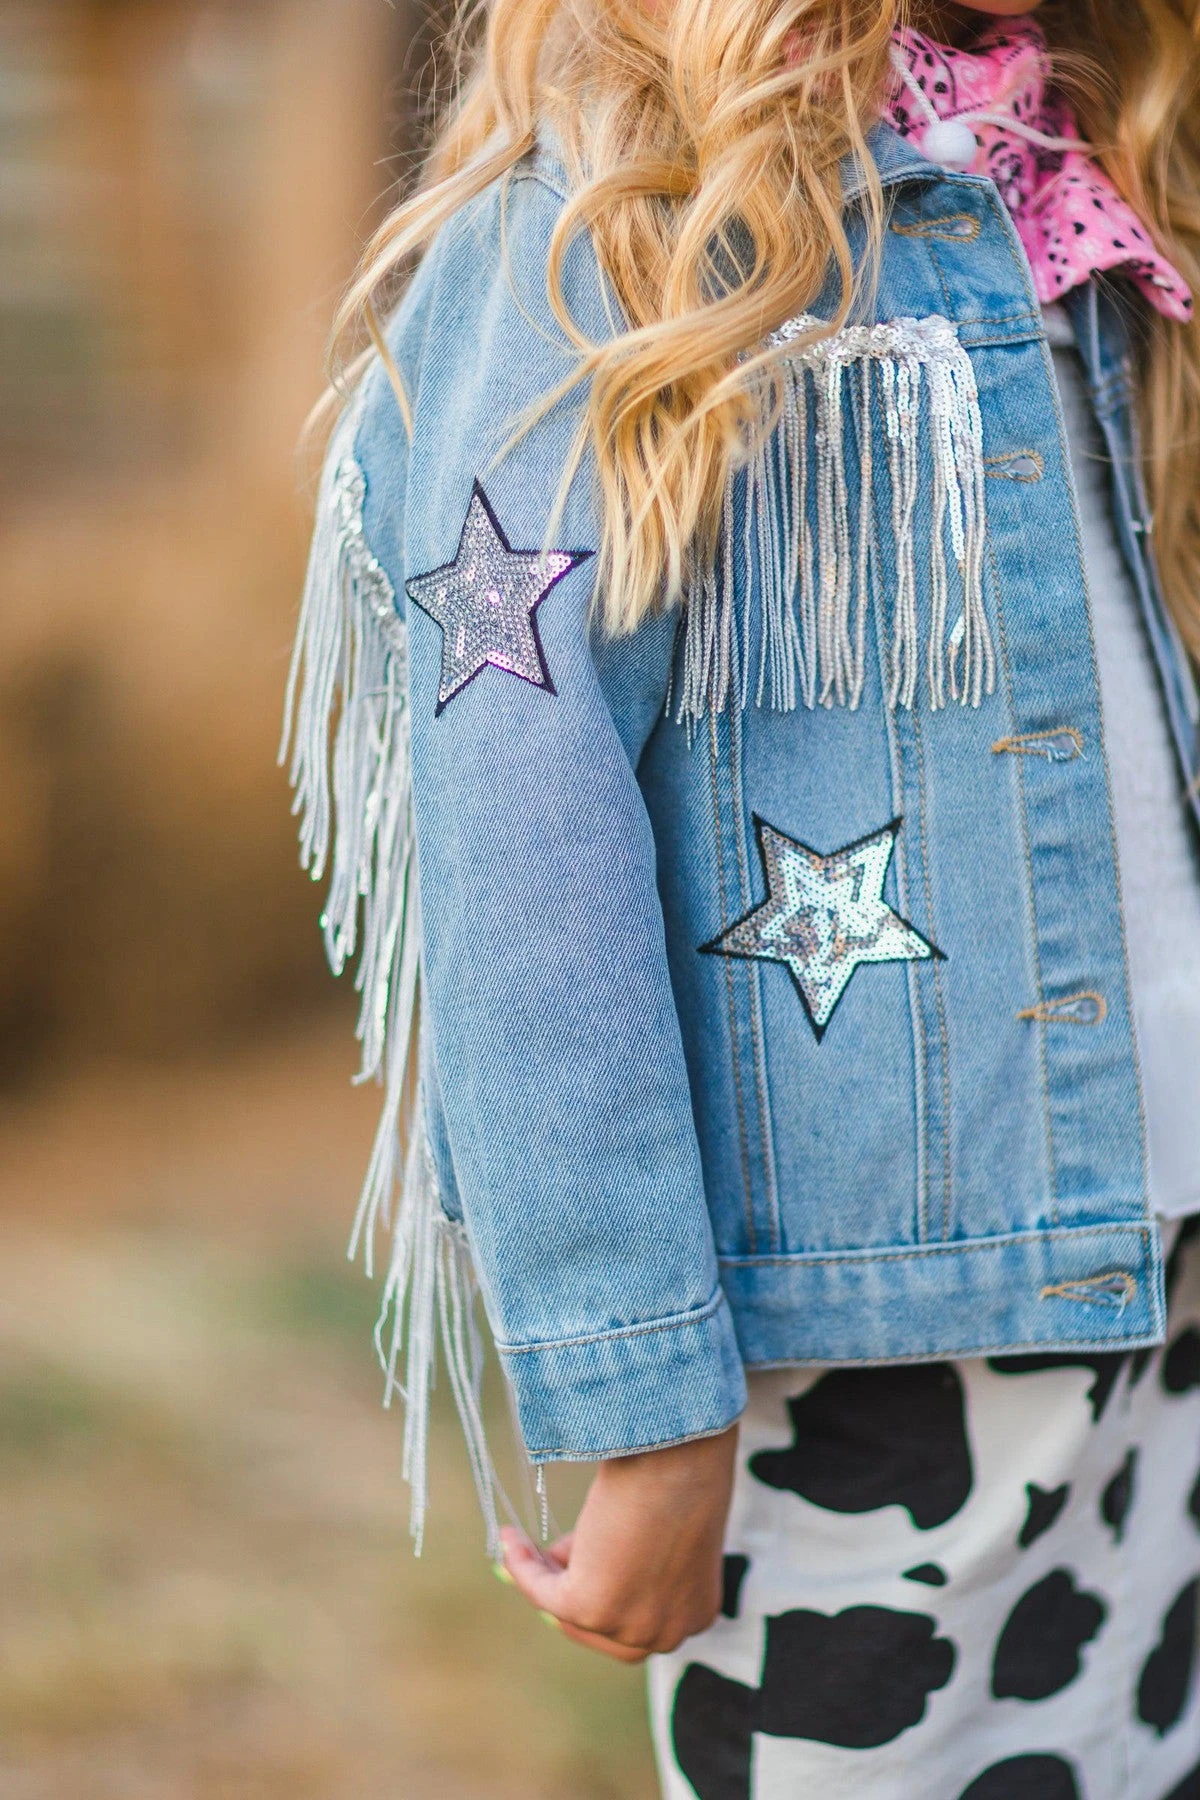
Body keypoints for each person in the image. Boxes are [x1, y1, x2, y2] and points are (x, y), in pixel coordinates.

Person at [281, 0, 1200, 1790]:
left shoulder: (1061, 156)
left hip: (1154, 1211)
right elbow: (519, 843)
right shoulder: (597, 235)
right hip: (871, 1308)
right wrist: (642, 1393)